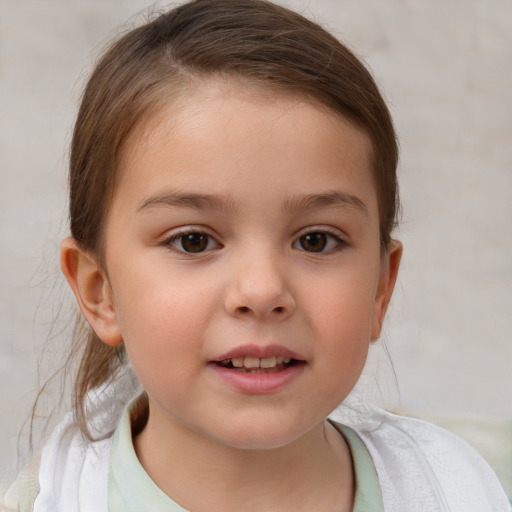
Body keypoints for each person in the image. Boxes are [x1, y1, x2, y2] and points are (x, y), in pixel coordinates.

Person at [3, 1, 510, 510]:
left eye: (316, 240)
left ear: (381, 286)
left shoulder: (457, 491)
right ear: (100, 291)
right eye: (193, 240)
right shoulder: (48, 501)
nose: (263, 290)